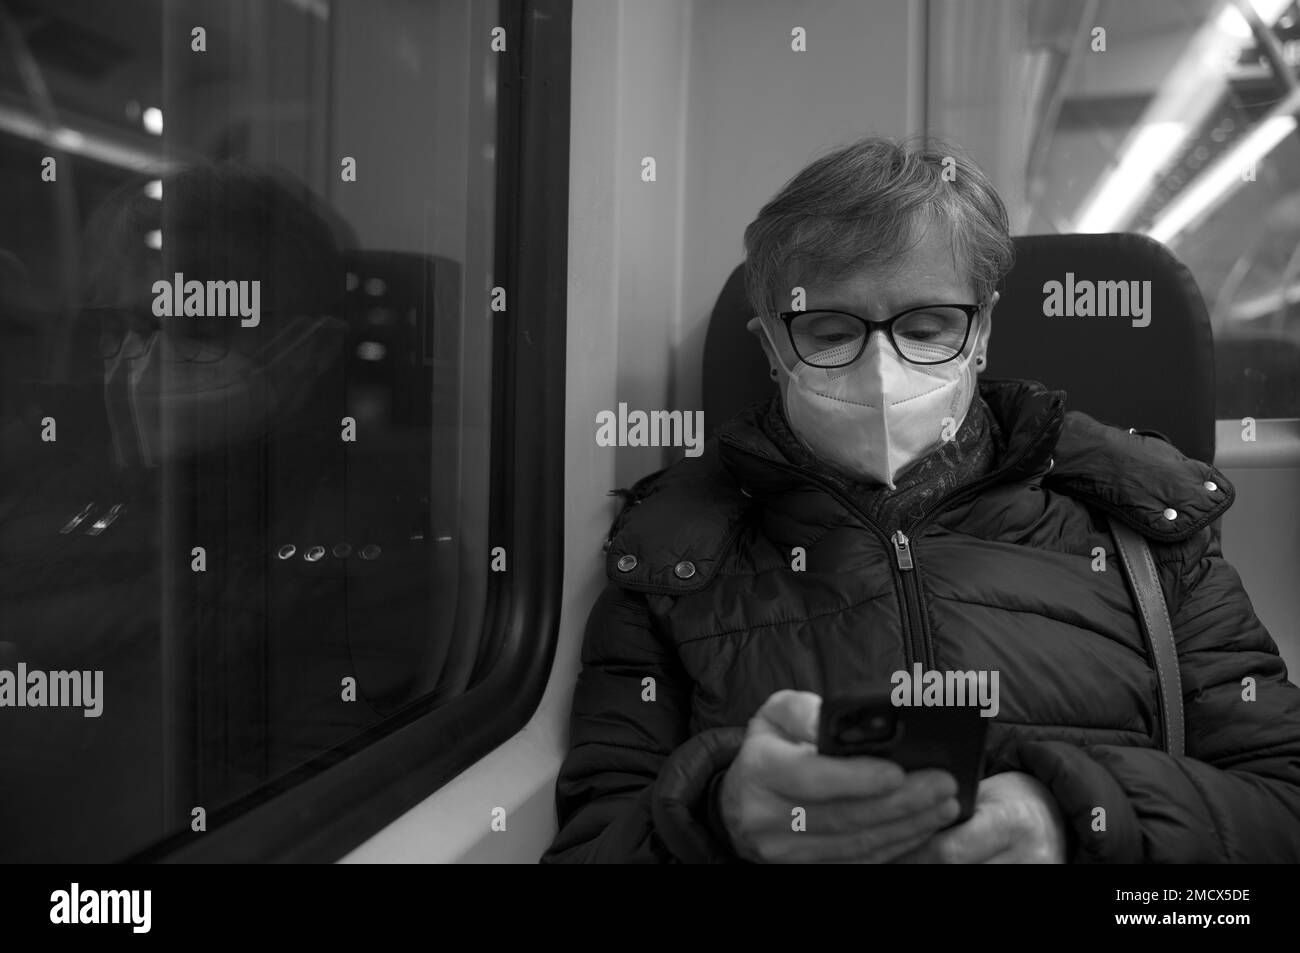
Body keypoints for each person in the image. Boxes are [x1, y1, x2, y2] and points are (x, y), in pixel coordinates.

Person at [540, 136, 1300, 863]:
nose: (881, 367)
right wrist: (717, 811)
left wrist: (1079, 818)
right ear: (771, 346)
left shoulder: (1146, 530)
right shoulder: (670, 556)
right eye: (832, 331)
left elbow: (1281, 807)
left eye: (928, 325)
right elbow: (595, 840)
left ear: (984, 331)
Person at [0, 162, 436, 861]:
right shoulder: (49, 467)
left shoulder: (370, 543)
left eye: (196, 326)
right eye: (122, 329)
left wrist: (64, 724)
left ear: (310, 349)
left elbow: (294, 810)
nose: (141, 366)